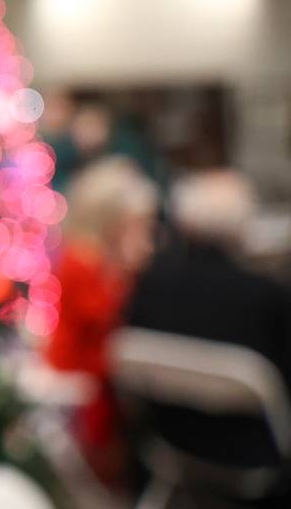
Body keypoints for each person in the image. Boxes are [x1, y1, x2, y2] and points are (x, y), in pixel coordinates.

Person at [123, 170, 291, 466]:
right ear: (243, 225)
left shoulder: (148, 285)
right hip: (257, 450)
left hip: (172, 439)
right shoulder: (264, 296)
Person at [45, 156, 159, 465]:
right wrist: (129, 270)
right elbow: (107, 318)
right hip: (82, 372)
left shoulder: (101, 259)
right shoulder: (82, 260)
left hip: (105, 365)